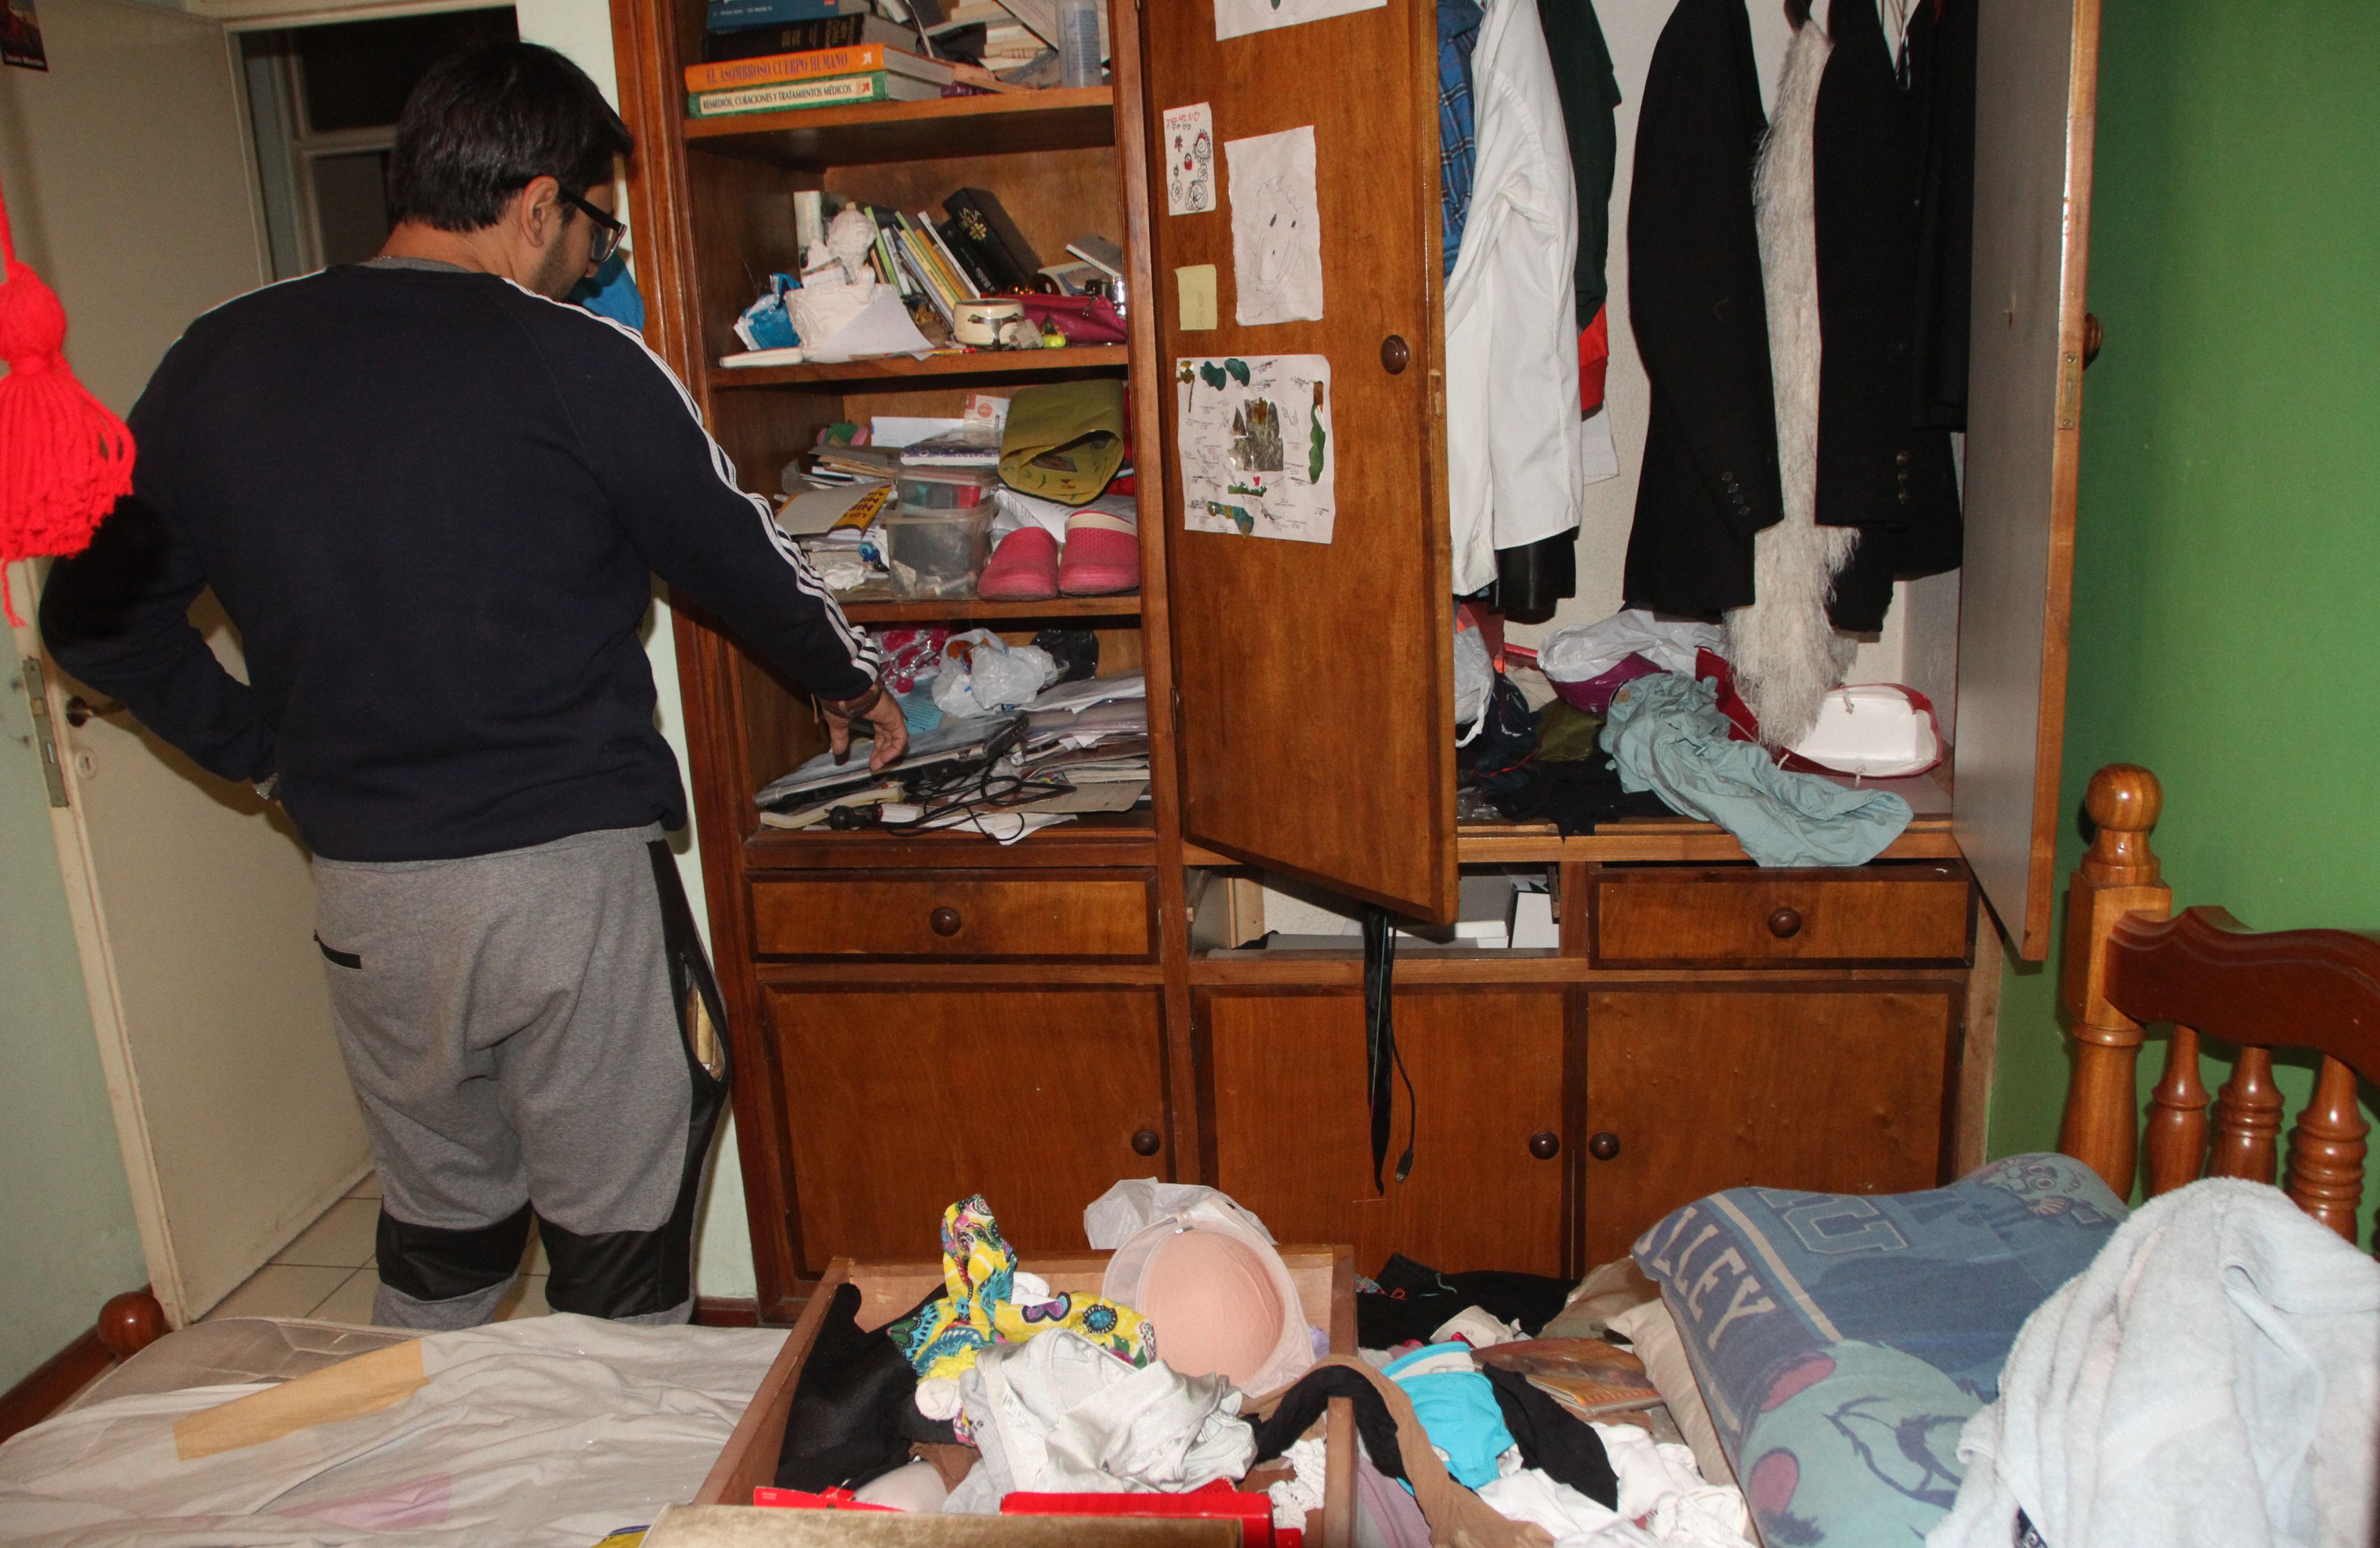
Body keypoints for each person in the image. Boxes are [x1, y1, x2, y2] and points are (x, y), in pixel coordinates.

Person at [39, 42, 905, 1329]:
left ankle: (424, 1452)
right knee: (619, 1241)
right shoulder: (580, 360)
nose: (591, 265)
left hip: (371, 899)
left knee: (443, 1229)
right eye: (595, 232)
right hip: (566, 888)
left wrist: (263, 751)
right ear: (539, 204)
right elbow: (736, 552)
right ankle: (609, 1459)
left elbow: (89, 621)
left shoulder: (217, 359)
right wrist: (849, 679)